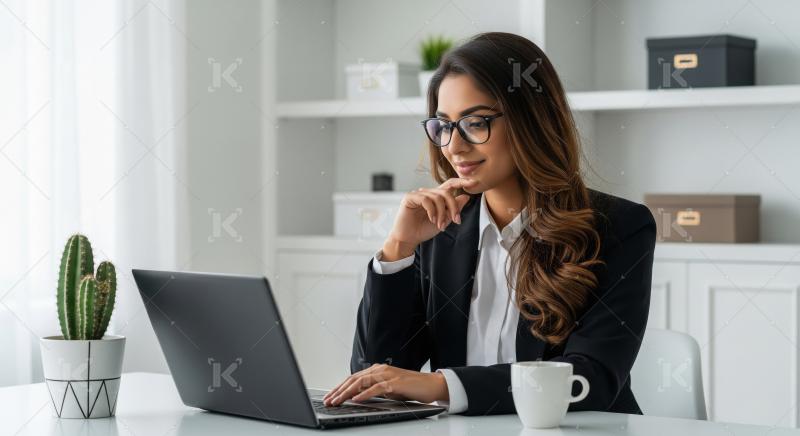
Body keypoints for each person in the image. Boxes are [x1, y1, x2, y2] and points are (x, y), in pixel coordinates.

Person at [323, 31, 657, 416]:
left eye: (475, 123)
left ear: (530, 119)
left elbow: (589, 380)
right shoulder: (438, 227)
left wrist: (441, 385)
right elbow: (373, 374)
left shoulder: (619, 228)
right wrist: (398, 248)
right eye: (443, 125)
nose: (454, 146)